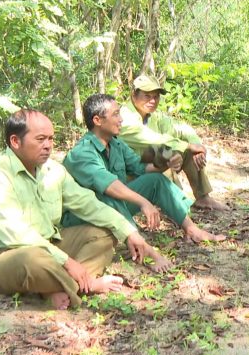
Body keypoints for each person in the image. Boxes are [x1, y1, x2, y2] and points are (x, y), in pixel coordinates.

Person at [0, 110, 159, 310]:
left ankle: (56, 287)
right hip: (2, 255)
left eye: (51, 138)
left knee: (103, 234)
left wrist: (128, 231)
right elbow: (18, 236)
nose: (48, 145)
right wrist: (67, 262)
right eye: (40, 139)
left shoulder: (53, 170)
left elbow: (88, 204)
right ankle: (86, 284)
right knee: (31, 260)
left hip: (50, 243)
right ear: (15, 141)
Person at [63, 94, 224, 250]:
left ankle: (191, 229)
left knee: (155, 179)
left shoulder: (115, 143)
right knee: (111, 196)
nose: (121, 120)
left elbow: (141, 167)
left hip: (111, 207)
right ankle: (141, 247)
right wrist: (143, 202)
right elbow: (111, 187)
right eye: (116, 114)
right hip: (81, 215)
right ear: (97, 120)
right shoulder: (82, 153)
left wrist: (166, 160)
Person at [118, 74, 228, 211]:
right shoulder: (124, 117)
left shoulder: (154, 115)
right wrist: (185, 145)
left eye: (156, 96)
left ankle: (203, 197)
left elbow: (182, 128)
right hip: (130, 174)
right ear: (134, 95)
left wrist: (196, 146)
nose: (153, 100)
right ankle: (172, 201)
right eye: (147, 96)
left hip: (148, 164)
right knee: (167, 150)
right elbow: (149, 138)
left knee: (185, 150)